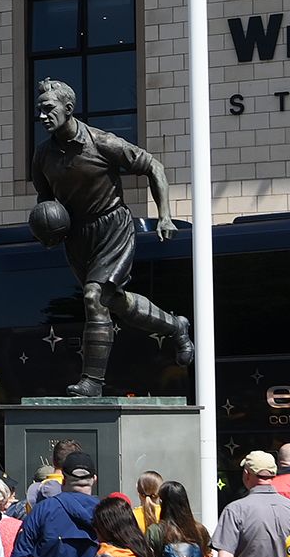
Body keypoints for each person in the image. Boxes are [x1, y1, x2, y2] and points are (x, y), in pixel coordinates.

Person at [29, 77, 194, 396]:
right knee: (112, 301)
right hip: (77, 236)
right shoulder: (42, 156)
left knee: (94, 297)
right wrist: (46, 229)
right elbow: (46, 202)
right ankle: (176, 326)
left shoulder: (102, 142)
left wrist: (164, 216)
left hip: (112, 226)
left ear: (68, 108)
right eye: (39, 110)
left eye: (48, 109)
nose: (42, 116)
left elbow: (154, 166)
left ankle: (92, 381)